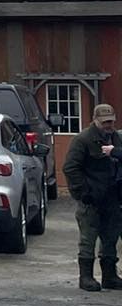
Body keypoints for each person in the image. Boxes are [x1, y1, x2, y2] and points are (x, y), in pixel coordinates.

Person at [63, 103, 122, 292]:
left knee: (111, 237)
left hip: (112, 197)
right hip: (91, 199)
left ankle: (110, 276)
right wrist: (83, 193)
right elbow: (71, 168)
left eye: (111, 121)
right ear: (95, 120)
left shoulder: (116, 138)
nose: (108, 125)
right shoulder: (83, 140)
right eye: (104, 122)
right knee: (88, 238)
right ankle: (86, 277)